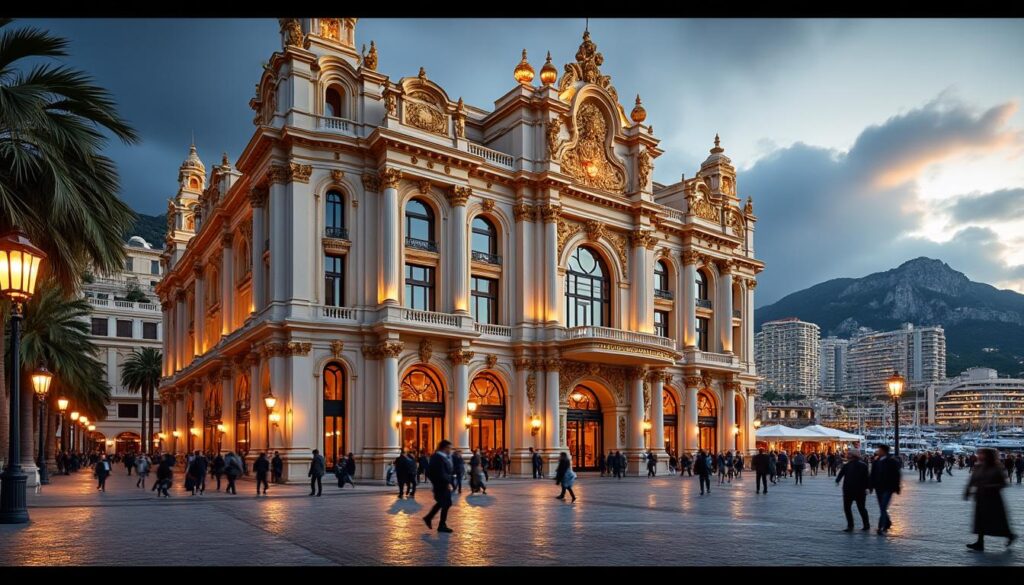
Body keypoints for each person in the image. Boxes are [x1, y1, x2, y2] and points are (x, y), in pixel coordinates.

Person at [964, 448, 1017, 551]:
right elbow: (972, 480)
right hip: (980, 497)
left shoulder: (997, 468)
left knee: (996, 520)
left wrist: (989, 487)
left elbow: (1003, 483)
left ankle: (1009, 535)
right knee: (980, 520)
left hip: (993, 499)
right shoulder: (978, 466)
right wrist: (967, 491)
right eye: (979, 454)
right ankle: (980, 543)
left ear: (989, 456)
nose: (979, 456)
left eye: (982, 454)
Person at [423, 440, 455, 534]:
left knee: (445, 503)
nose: (450, 450)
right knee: (445, 503)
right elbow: (439, 472)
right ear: (445, 448)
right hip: (441, 485)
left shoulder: (443, 457)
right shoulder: (437, 457)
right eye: (449, 448)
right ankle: (440, 524)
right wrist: (446, 482)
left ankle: (430, 518)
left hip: (443, 484)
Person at [836, 449, 871, 532]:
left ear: (853, 456)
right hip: (859, 490)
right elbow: (867, 478)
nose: (847, 455)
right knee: (861, 508)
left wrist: (838, 480)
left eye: (849, 454)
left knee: (848, 508)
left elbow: (840, 474)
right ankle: (866, 525)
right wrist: (868, 488)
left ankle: (851, 526)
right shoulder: (862, 465)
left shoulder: (848, 465)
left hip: (850, 490)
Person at [870, 444, 901, 534]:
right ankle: (887, 522)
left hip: (888, 488)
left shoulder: (892, 461)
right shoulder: (876, 461)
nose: (878, 451)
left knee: (883, 507)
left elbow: (896, 475)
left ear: (884, 451)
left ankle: (881, 527)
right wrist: (870, 486)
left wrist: (897, 487)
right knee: (882, 507)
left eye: (879, 450)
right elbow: (872, 474)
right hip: (878, 488)